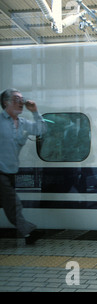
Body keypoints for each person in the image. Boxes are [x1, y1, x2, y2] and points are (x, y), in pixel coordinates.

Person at [0, 88, 46, 244]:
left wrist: (35, 111)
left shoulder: (24, 123)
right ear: (6, 103)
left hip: (10, 172)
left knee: (9, 205)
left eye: (22, 99)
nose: (21, 102)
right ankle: (29, 232)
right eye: (16, 99)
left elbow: (41, 129)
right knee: (14, 204)